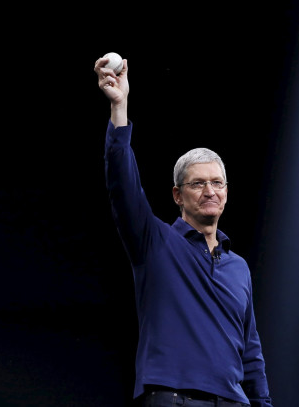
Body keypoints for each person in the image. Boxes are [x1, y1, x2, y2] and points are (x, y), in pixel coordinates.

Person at [94, 55, 273, 407]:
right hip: (173, 399)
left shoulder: (238, 267)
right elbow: (121, 182)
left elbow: (251, 352)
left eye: (217, 183)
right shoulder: (155, 242)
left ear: (226, 192)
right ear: (178, 194)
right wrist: (120, 107)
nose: (210, 191)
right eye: (198, 184)